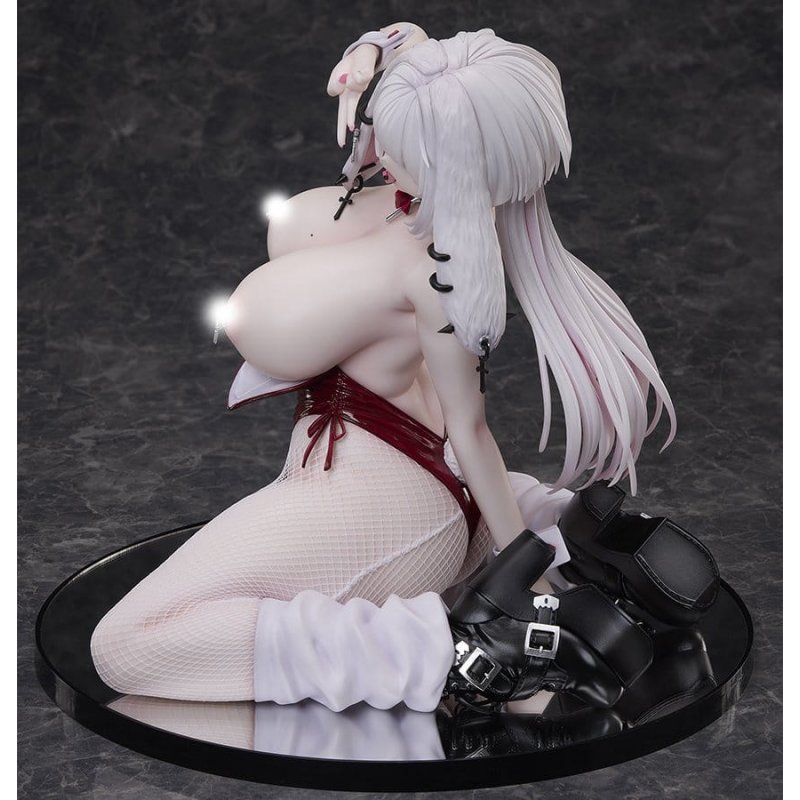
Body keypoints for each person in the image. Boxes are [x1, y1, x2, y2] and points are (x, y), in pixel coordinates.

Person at [90, 26, 710, 715]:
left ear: (451, 162)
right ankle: (562, 538)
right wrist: (376, 52)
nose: (381, 151)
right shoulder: (413, 200)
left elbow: (471, 430)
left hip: (393, 508)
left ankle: (458, 651)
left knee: (126, 645)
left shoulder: (442, 270)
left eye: (403, 145)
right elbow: (430, 57)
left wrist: (522, 585)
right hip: (390, 477)